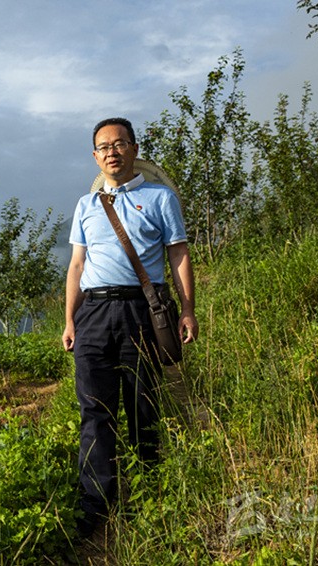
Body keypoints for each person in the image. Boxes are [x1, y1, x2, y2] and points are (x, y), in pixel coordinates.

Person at [62, 117, 198, 536]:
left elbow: (178, 254)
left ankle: (148, 496)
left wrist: (188, 309)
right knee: (94, 409)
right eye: (104, 147)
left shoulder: (160, 198)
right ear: (95, 156)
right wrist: (69, 320)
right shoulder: (86, 205)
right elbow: (77, 265)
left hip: (141, 310)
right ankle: (95, 504)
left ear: (134, 149)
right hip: (93, 314)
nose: (112, 152)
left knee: (143, 405)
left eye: (119, 144)